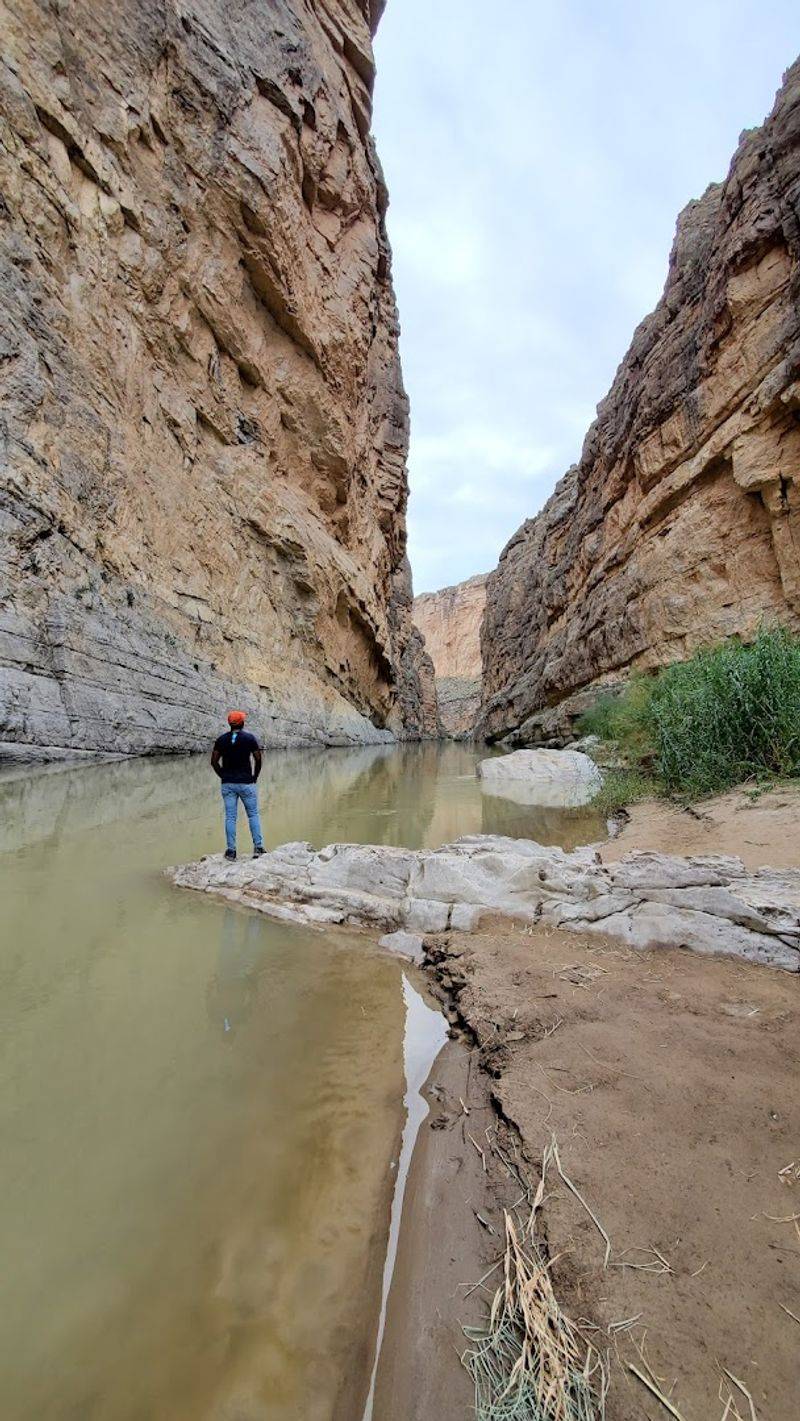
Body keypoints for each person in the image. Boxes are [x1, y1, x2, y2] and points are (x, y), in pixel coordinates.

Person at [211, 711, 264, 861]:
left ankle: (231, 851)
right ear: (242, 723)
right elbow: (258, 759)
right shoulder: (249, 738)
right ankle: (258, 848)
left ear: (230, 724)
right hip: (246, 782)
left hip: (228, 784)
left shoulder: (221, 740)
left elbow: (214, 761)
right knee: (253, 814)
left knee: (230, 817)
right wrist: (255, 776)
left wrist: (223, 775)